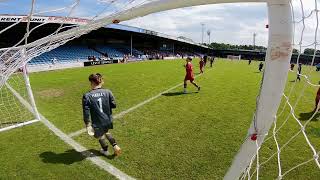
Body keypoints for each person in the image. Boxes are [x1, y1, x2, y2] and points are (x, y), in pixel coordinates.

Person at [82, 73, 121, 156]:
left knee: (100, 136)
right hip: (107, 119)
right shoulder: (108, 92)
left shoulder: (87, 95)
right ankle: (115, 146)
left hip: (97, 121)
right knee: (106, 131)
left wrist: (88, 124)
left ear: (92, 82)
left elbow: (86, 112)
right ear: (100, 81)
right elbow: (114, 105)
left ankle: (105, 150)